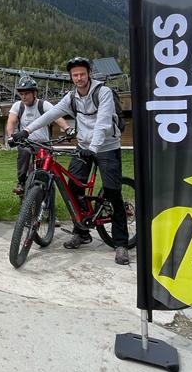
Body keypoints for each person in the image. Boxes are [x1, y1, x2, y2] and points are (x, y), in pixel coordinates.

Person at [10, 56, 130, 266]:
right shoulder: (72, 96)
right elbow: (52, 113)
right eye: (75, 75)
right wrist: (27, 130)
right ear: (71, 77)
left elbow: (102, 124)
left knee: (112, 190)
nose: (79, 78)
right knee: (74, 187)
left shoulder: (104, 93)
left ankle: (120, 244)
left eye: (82, 74)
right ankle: (82, 233)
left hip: (106, 147)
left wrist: (93, 148)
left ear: (89, 73)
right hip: (84, 147)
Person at [5, 76, 71, 195]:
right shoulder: (18, 106)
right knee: (23, 153)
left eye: (27, 93)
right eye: (21, 94)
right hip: (25, 142)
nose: (24, 96)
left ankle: (47, 194)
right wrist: (11, 136)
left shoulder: (43, 104)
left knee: (46, 169)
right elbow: (11, 121)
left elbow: (56, 116)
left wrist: (67, 128)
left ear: (34, 93)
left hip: (43, 143)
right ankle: (21, 182)